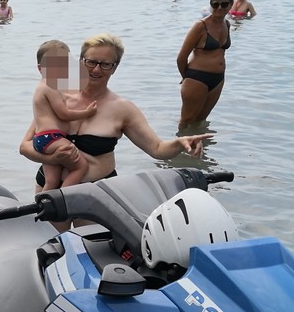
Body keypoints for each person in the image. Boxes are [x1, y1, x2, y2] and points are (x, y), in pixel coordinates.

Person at [20, 33, 210, 196]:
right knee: (45, 229)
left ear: (115, 67)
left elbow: (157, 149)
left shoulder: (123, 109)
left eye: (105, 64)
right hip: (49, 186)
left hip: (95, 193)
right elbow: (25, 146)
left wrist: (180, 143)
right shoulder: (58, 95)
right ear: (80, 62)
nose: (96, 69)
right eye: (91, 62)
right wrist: (51, 159)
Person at [30, 40, 97, 191]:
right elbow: (64, 114)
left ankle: (43, 204)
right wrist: (87, 112)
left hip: (42, 139)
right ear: (41, 69)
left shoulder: (44, 87)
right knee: (81, 167)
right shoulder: (50, 85)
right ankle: (61, 198)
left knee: (51, 181)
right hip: (52, 138)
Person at [178, 0, 234, 129]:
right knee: (186, 121)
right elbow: (181, 57)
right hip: (197, 78)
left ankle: (200, 144)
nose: (219, 8)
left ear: (231, 5)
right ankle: (179, 143)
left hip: (218, 79)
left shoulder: (227, 24)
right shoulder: (200, 26)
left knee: (201, 120)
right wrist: (186, 78)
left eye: (224, 4)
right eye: (215, 4)